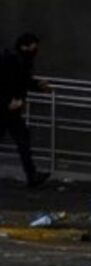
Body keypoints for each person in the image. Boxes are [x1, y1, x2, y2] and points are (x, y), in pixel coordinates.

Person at [0, 33, 51, 187]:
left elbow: (23, 81)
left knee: (24, 141)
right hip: (6, 109)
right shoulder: (10, 61)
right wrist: (7, 103)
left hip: (12, 110)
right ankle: (32, 175)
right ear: (25, 46)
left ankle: (32, 175)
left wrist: (37, 86)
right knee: (23, 141)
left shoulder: (21, 61)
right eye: (32, 46)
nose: (35, 50)